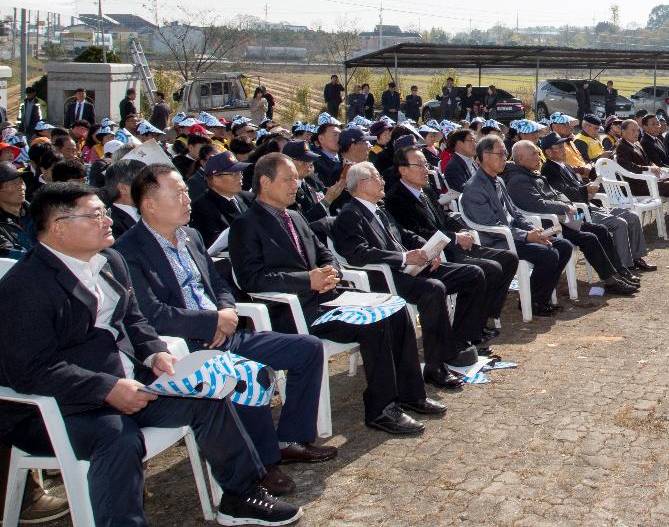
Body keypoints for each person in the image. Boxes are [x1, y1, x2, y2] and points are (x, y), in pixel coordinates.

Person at [0, 182, 301, 526]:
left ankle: (240, 495)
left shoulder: (110, 260)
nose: (107, 221)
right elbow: (29, 369)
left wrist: (154, 352)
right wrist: (106, 389)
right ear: (58, 227)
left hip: (130, 382)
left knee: (209, 397)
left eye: (106, 212)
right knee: (118, 437)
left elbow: (134, 319)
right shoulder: (25, 286)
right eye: (94, 215)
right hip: (62, 407)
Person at [115, 165, 337, 496]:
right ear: (149, 204)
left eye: (186, 192)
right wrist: (210, 322)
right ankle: (262, 465)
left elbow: (218, 284)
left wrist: (228, 310)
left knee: (306, 349)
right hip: (185, 347)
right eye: (178, 193)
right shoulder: (128, 251)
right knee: (251, 374)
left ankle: (290, 438)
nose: (188, 199)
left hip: (226, 331)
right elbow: (151, 314)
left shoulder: (191, 237)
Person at [228, 154, 441, 435]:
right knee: (374, 323)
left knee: (396, 308)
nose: (296, 184)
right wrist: (307, 280)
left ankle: (411, 393)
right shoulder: (247, 224)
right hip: (294, 310)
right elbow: (251, 279)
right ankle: (382, 408)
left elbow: (325, 251)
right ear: (265, 182)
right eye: (288, 179)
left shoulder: (294, 217)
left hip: (328, 298)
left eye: (296, 178)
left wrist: (332, 270)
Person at [331, 162, 487, 386]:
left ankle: (457, 341)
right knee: (433, 290)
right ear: (362, 184)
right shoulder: (350, 215)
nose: (383, 180)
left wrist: (429, 249)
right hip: (387, 277)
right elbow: (357, 254)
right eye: (377, 177)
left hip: (413, 269)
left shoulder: (379, 210)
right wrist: (404, 258)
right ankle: (435, 365)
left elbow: (405, 235)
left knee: (473, 273)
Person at [385, 146, 517, 338]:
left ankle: (481, 316)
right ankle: (468, 330)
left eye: (426, 164)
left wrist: (462, 230)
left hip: (454, 245)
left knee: (509, 258)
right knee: (489, 268)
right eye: (419, 165)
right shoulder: (396, 198)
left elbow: (444, 219)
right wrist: (455, 237)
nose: (426, 170)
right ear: (403, 170)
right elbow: (417, 232)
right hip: (438, 251)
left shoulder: (427, 191)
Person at [504, 140, 638, 294]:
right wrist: (565, 206)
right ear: (520, 159)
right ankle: (610, 281)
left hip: (567, 218)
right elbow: (537, 205)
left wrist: (567, 204)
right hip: (549, 224)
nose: (538, 156)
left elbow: (557, 194)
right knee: (589, 238)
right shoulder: (518, 180)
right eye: (534, 153)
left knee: (600, 229)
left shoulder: (531, 173)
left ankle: (618, 271)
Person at [461, 135, 572, 317]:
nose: (505, 157)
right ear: (486, 156)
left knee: (563, 246)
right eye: (501, 153)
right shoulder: (475, 188)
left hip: (515, 235)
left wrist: (535, 231)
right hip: (498, 242)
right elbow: (492, 227)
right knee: (548, 254)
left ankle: (538, 297)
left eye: (505, 153)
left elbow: (515, 213)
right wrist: (528, 237)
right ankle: (534, 302)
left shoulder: (498, 180)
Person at [540, 136, 651, 272]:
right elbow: (563, 194)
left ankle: (636, 257)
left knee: (632, 216)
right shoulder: (548, 169)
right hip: (576, 216)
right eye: (560, 147)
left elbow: (578, 187)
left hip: (588, 206)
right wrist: (584, 190)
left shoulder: (566, 166)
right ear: (548, 152)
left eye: (564, 147)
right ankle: (623, 266)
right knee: (619, 223)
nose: (564, 150)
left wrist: (588, 189)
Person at [615, 119, 669, 237]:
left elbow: (648, 160)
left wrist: (653, 166)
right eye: (632, 130)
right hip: (638, 185)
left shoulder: (636, 144)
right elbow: (628, 167)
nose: (636, 133)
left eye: (637, 130)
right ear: (623, 131)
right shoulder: (622, 147)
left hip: (650, 180)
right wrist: (648, 168)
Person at [190, 152, 254, 247]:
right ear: (216, 179)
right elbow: (214, 244)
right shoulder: (202, 207)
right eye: (234, 173)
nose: (241, 177)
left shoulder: (248, 197)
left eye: (240, 172)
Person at [102, 158, 147, 240]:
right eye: (145, 182)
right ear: (123, 188)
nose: (152, 187)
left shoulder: (150, 210)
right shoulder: (110, 224)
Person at [0, 162, 32, 257]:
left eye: (21, 182)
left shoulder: (40, 214)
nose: (21, 187)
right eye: (14, 183)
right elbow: (9, 254)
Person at [443, 128, 479, 192]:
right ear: (459, 143)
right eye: (471, 140)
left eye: (475, 141)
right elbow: (463, 190)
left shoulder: (470, 161)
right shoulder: (453, 166)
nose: (475, 144)